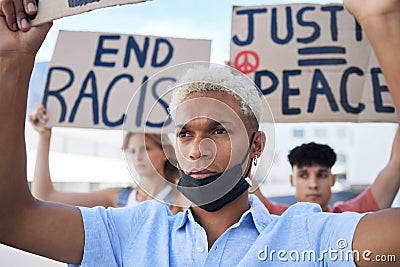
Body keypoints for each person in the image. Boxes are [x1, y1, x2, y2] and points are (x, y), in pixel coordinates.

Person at [0, 1, 399, 266]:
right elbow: (11, 218)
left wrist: (381, 21)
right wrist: (14, 60)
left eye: (219, 130)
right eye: (184, 134)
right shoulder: (130, 231)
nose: (198, 150)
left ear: (256, 145)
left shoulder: (309, 236)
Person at [29, 103, 187, 213]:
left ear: (165, 151)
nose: (138, 156)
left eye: (145, 149)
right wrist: (44, 137)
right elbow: (45, 196)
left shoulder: (181, 199)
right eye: (132, 151)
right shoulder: (117, 197)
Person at [257, 135, 400, 215]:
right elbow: (240, 172)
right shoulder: (277, 217)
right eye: (304, 175)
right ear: (292, 180)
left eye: (322, 175)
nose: (313, 184)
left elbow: (396, 165)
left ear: (333, 179)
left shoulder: (348, 215)